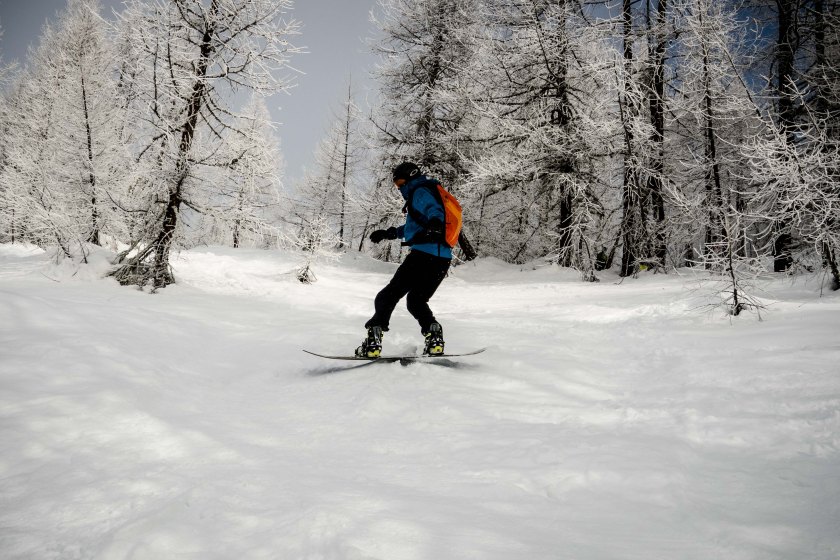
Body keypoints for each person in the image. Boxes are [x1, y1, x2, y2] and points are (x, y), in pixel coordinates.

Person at [357, 162, 452, 358]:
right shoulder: (425, 192)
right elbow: (414, 227)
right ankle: (434, 338)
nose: (399, 188)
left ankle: (372, 343)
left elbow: (435, 211)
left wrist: (435, 222)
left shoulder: (420, 191)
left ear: (411, 177)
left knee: (387, 296)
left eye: (400, 183)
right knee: (416, 301)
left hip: (423, 256)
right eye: (396, 184)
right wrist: (389, 233)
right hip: (442, 259)